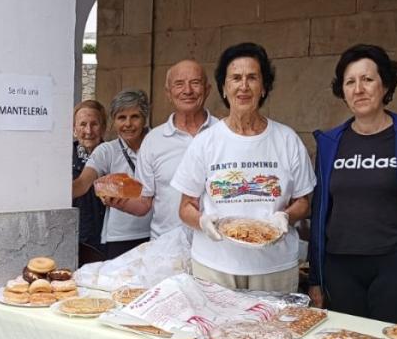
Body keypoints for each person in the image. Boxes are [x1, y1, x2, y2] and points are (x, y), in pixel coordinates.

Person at [308, 44, 397, 324]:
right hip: (341, 267)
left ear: (385, 85)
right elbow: (320, 215)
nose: (358, 89)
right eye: (350, 82)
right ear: (343, 91)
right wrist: (316, 277)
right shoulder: (329, 143)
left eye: (368, 79)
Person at [171, 42, 315, 291]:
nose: (244, 86)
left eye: (252, 78)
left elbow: (304, 201)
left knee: (273, 330)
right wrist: (203, 221)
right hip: (215, 266)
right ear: (224, 88)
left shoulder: (286, 138)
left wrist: (286, 216)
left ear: (264, 87)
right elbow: (185, 207)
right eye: (235, 78)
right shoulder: (206, 142)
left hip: (273, 268)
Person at [107, 59, 214, 240]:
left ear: (208, 89)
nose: (187, 90)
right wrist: (119, 202)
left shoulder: (223, 134)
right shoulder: (153, 141)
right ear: (168, 93)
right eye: (179, 84)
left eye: (195, 83)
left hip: (217, 247)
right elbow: (143, 202)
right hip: (165, 247)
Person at [71, 89, 152, 258]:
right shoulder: (106, 151)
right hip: (120, 236)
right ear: (114, 122)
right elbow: (82, 184)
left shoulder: (159, 144)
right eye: (121, 118)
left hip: (157, 231)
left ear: (145, 118)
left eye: (135, 117)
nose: (128, 124)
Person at [71, 100, 107, 265]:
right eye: (82, 124)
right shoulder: (63, 157)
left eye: (94, 124)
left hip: (106, 239)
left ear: (104, 127)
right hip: (74, 239)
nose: (88, 131)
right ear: (74, 128)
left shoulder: (113, 155)